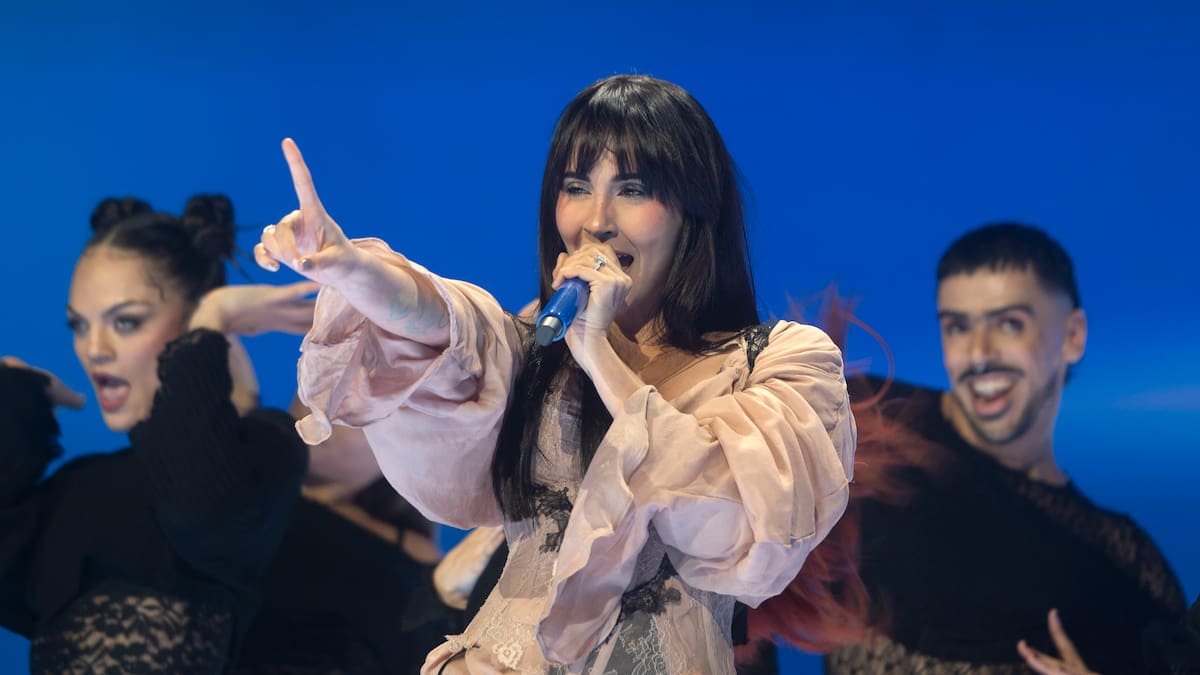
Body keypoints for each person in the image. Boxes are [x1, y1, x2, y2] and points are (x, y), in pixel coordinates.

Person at [254, 74, 857, 673]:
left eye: (632, 189)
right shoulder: (533, 351)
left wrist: (599, 354)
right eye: (576, 187)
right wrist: (353, 270)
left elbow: (739, 527)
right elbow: (445, 323)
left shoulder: (780, 363)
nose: (596, 220)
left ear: (693, 209)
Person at [824, 223, 1186, 674]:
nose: (979, 354)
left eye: (1010, 324)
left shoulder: (1124, 566)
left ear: (1073, 336)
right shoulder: (864, 430)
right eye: (957, 327)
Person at [0, 195, 315, 673]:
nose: (93, 349)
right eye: (78, 325)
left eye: (126, 321)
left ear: (194, 323)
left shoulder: (264, 453)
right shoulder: (78, 488)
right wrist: (15, 400)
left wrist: (210, 327)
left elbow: (202, 512)